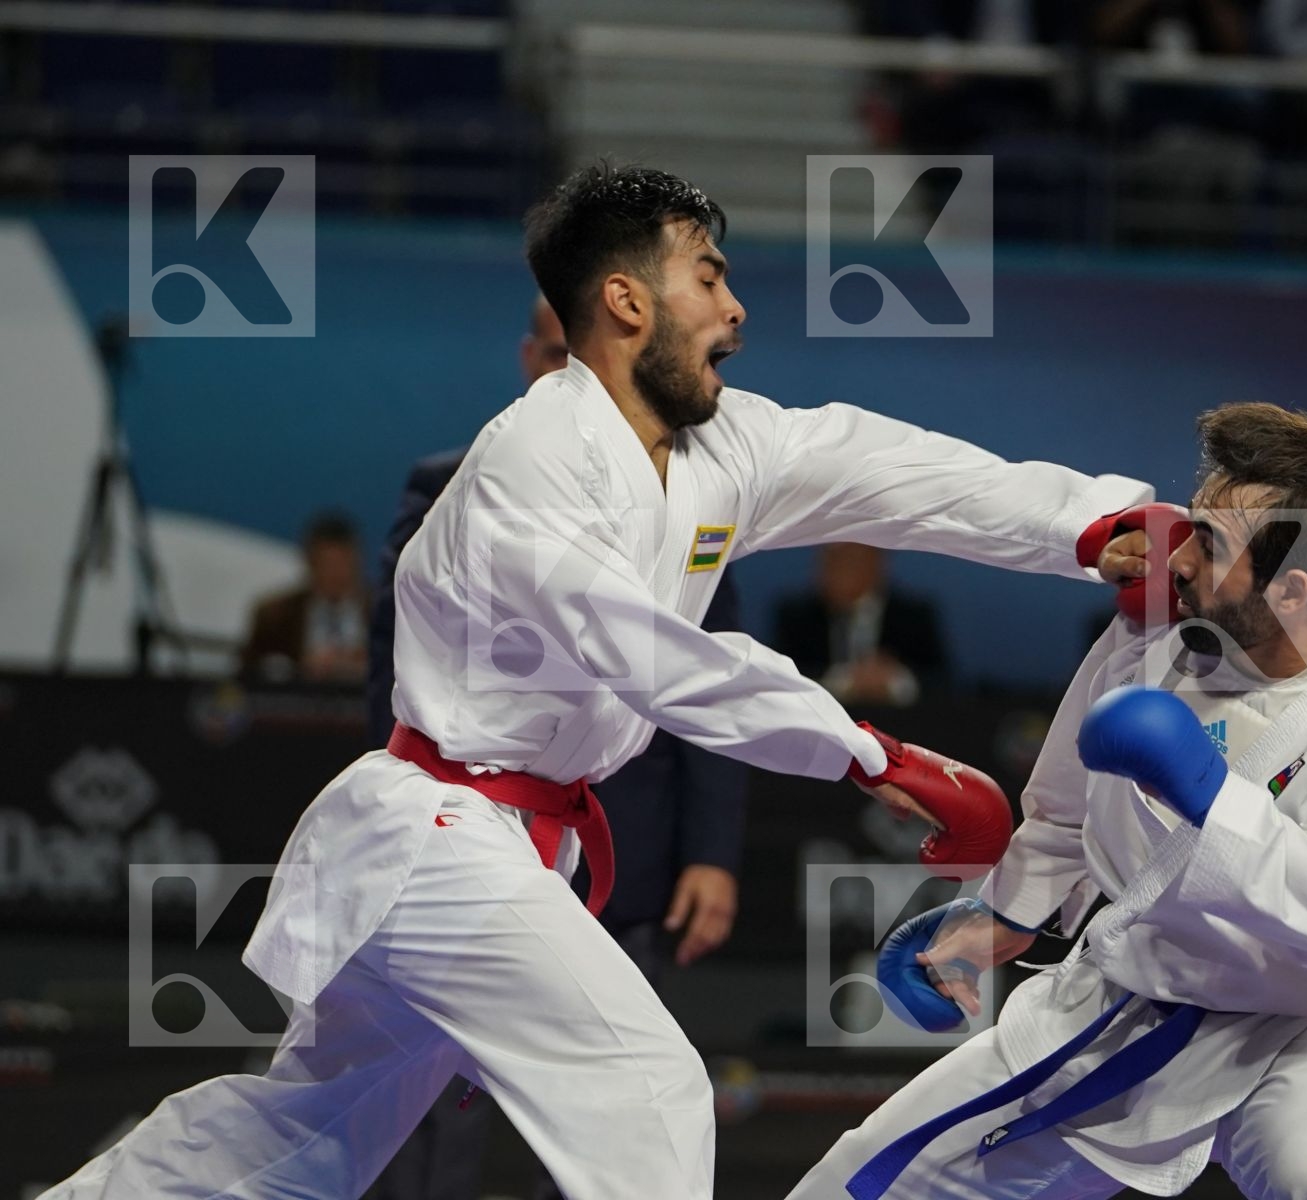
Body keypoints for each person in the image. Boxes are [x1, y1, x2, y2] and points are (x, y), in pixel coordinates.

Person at [40, 162, 1150, 1200]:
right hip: (438, 834)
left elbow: (891, 470)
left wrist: (1089, 525)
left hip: (495, 841)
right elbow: (649, 653)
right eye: (708, 277)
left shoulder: (721, 446)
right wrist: (873, 756)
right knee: (644, 1089)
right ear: (626, 300)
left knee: (300, 1133)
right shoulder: (535, 458)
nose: (736, 311)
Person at [788, 402, 1307, 1200]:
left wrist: (1212, 799)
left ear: (1292, 588)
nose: (1177, 558)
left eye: (1208, 544)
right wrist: (1003, 916)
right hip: (1128, 996)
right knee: (857, 1180)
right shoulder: (1164, 632)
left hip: (1300, 1031)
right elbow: (1067, 804)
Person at [361, 297, 747, 1200]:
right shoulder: (450, 486)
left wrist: (712, 854)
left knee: (612, 1105)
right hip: (467, 844)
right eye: (555, 353)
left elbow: (715, 676)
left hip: (625, 849)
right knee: (437, 1092)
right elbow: (394, 677)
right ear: (531, 358)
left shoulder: (689, 495)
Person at [773, 543, 949, 706]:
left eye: (851, 559)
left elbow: (941, 682)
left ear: (877, 563)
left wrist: (896, 680)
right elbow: (783, 681)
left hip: (899, 722)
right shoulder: (797, 618)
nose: (841, 570)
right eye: (833, 559)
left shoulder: (912, 616)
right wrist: (843, 681)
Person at [240, 510, 369, 682]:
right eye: (328, 564)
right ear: (310, 563)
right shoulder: (274, 617)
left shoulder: (386, 614)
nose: (337, 574)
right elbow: (248, 678)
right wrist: (299, 668)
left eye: (344, 563)